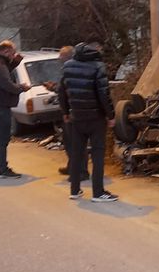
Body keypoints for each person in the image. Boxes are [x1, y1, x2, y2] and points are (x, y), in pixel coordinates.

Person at [58, 36, 118, 202]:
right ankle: (98, 192)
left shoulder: (67, 67)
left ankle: (75, 190)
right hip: (95, 118)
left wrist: (65, 111)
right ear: (94, 51)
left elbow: (61, 91)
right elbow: (104, 94)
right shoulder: (98, 67)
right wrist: (111, 116)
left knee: (77, 153)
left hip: (76, 117)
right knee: (98, 154)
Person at [0, 40, 30, 179]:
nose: (14, 54)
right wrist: (22, 87)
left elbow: (5, 73)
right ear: (6, 51)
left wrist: (15, 61)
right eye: (13, 52)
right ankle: (3, 170)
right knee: (3, 138)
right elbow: (7, 85)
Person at [43, 45, 89, 180]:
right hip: (71, 110)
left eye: (61, 55)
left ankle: (81, 172)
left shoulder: (73, 70)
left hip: (74, 111)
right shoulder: (74, 69)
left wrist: (54, 88)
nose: (59, 58)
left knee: (77, 143)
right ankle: (73, 167)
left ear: (69, 57)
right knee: (69, 142)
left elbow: (66, 90)